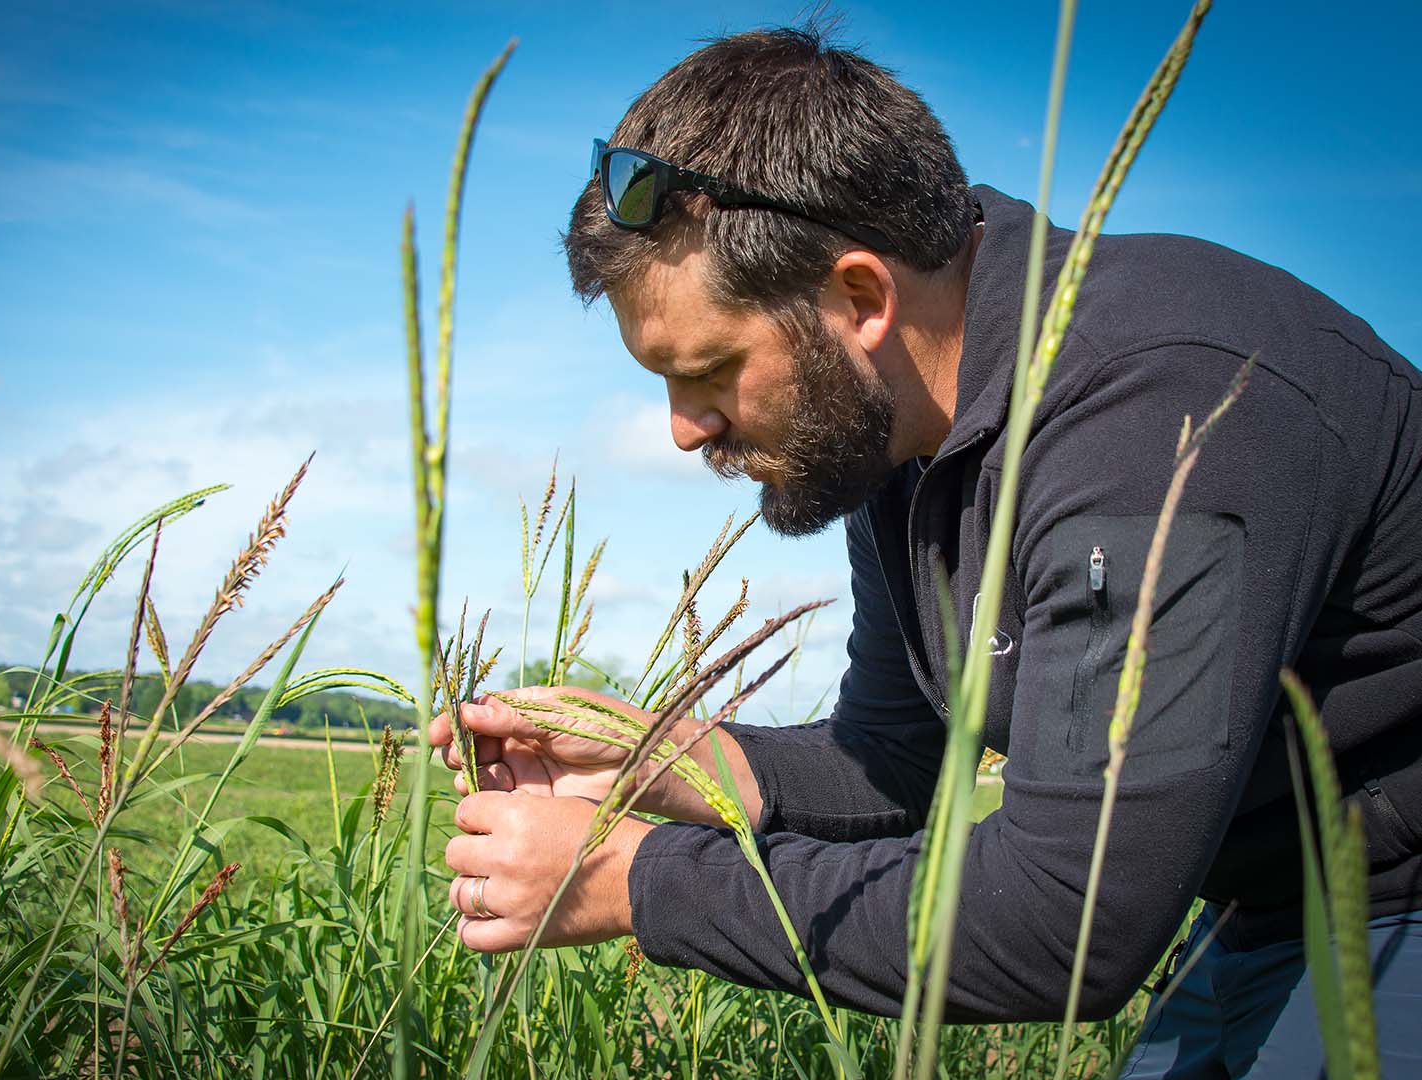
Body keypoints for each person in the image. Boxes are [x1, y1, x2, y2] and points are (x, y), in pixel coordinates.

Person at [426, 27, 1422, 1077]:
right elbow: (892, 763)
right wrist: (665, 764)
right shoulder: (895, 438)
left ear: (859, 299)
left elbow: (1062, 921)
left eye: (708, 369)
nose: (683, 429)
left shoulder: (1154, 416)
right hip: (1260, 908)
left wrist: (633, 881)